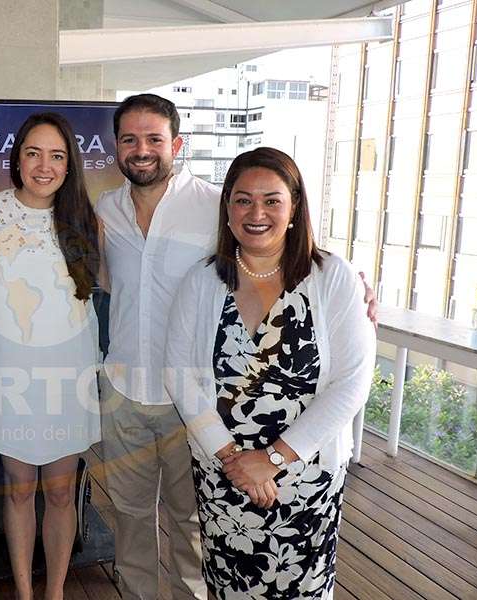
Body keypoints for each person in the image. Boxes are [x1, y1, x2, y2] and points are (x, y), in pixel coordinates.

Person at [164, 147, 376, 599]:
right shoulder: (201, 282)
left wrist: (274, 459)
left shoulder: (332, 278)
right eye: (242, 200)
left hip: (306, 478)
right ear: (227, 209)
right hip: (226, 476)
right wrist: (232, 460)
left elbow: (352, 382)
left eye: (271, 200)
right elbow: (179, 376)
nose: (256, 212)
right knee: (228, 586)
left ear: (294, 207)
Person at [0, 112, 101, 600]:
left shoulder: (87, 219)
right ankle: (25, 592)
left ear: (69, 165)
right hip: (13, 377)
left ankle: (56, 592)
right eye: (33, 153)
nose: (43, 166)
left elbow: (104, 290)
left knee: (62, 492)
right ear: (17, 158)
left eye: (56, 156)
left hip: (67, 378)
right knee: (20, 488)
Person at [95, 94, 216, 600]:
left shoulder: (214, 205)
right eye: (130, 140)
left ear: (177, 144)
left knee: (191, 524)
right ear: (116, 147)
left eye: (154, 139)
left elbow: (278, 250)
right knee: (130, 519)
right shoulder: (107, 209)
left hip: (193, 399)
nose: (141, 150)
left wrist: (353, 284)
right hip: (122, 393)